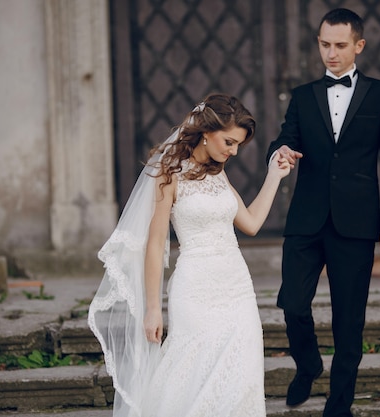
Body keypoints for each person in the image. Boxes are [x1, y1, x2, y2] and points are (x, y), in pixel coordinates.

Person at [89, 93, 291, 417]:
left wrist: (274, 176)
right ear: (207, 132)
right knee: (191, 375)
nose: (233, 151)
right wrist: (153, 309)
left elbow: (250, 223)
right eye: (228, 141)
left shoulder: (219, 173)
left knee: (242, 377)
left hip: (237, 287)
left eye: (238, 145)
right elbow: (155, 245)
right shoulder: (169, 173)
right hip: (194, 288)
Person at [266, 8, 380, 416]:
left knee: (349, 321)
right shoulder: (303, 95)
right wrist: (282, 152)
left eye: (340, 45)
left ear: (358, 46)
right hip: (306, 218)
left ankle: (339, 404)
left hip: (358, 223)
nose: (331, 53)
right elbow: (284, 138)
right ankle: (307, 364)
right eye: (325, 44)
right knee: (292, 303)